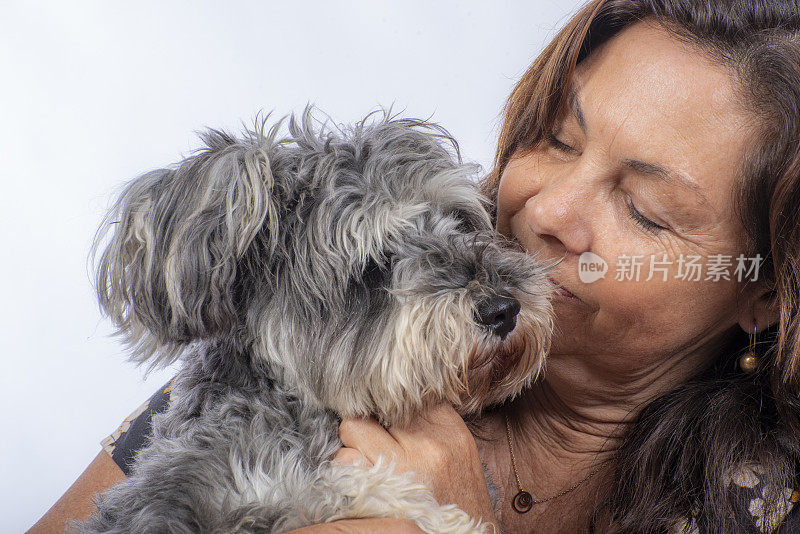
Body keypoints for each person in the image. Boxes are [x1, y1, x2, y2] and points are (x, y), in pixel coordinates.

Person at [31, 0, 800, 532]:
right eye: (558, 140)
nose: (547, 215)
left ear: (764, 292)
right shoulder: (296, 351)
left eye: (645, 209)